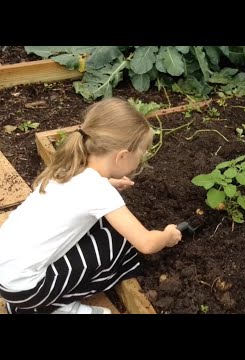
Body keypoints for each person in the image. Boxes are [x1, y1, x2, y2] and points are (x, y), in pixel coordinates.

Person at [0, 98, 182, 314]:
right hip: (24, 288)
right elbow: (146, 244)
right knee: (119, 244)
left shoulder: (68, 166)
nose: (141, 159)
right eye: (141, 153)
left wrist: (108, 183)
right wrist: (168, 235)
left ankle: (28, 301)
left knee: (101, 229)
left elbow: (78, 193)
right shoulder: (98, 191)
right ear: (122, 156)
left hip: (7, 271)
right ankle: (45, 307)